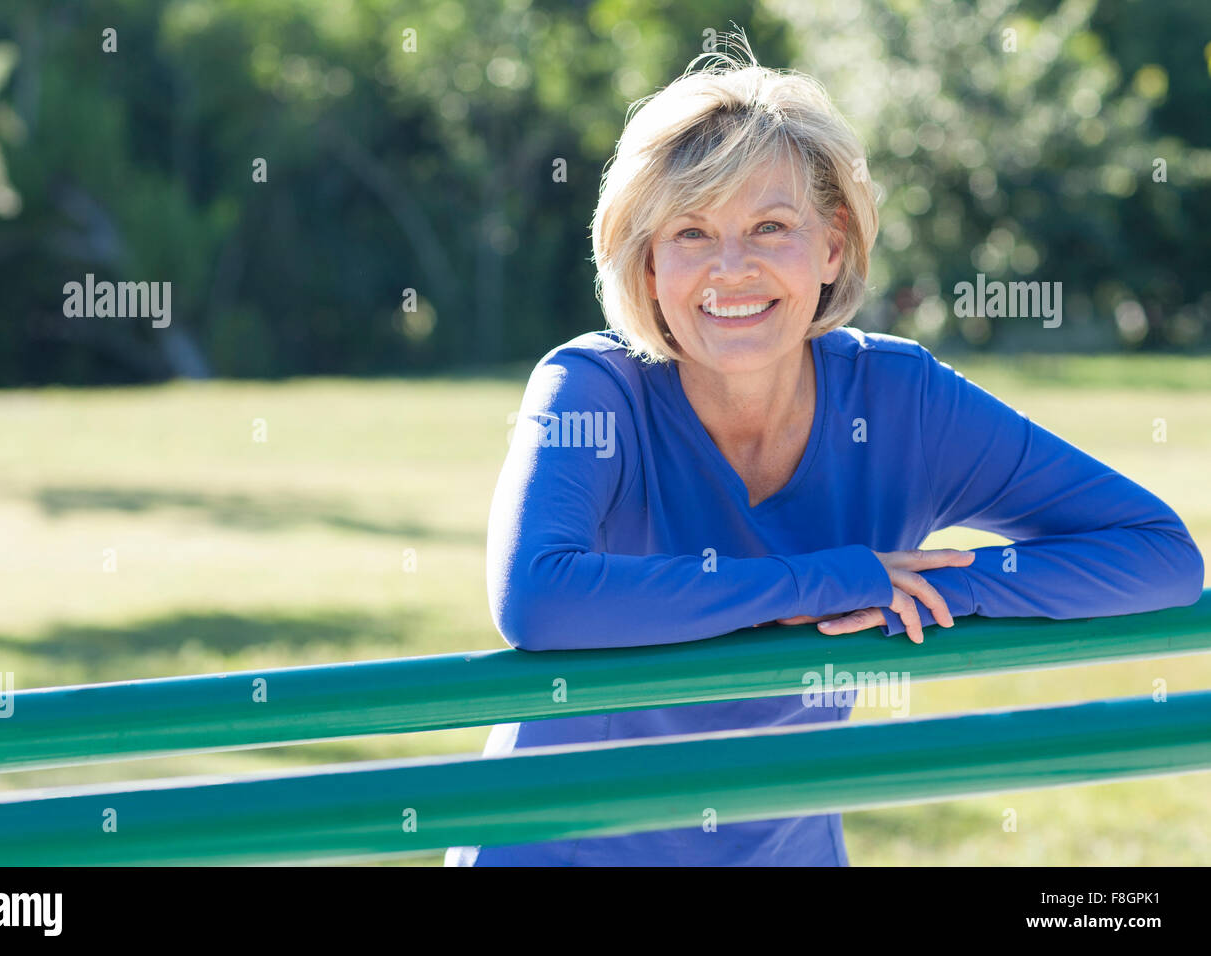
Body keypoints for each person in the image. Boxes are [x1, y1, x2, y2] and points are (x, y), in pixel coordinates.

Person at [444, 37, 1205, 866]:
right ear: (648, 260)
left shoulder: (901, 400)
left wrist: (931, 587)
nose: (730, 270)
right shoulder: (593, 388)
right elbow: (537, 596)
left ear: (833, 245)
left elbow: (1160, 556)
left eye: (770, 226)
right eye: (691, 233)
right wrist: (825, 579)